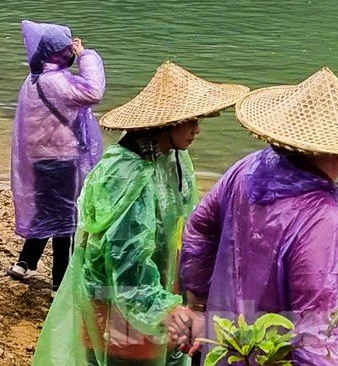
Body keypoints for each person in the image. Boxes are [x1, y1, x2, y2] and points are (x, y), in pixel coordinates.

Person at [180, 68, 338, 366]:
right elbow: (320, 334)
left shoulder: (246, 169)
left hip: (233, 347)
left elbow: (198, 228)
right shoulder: (323, 219)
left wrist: (199, 306)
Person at [32, 63, 249, 366]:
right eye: (192, 121)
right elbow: (126, 260)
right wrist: (164, 310)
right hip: (117, 300)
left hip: (155, 291)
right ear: (168, 123)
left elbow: (185, 222)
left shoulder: (171, 158)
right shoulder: (125, 173)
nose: (197, 129)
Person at [12, 21, 107, 287]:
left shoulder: (35, 78)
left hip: (41, 156)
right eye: (66, 48)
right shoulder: (57, 81)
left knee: (46, 209)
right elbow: (94, 91)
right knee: (66, 220)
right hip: (62, 157)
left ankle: (25, 262)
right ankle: (60, 283)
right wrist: (86, 55)